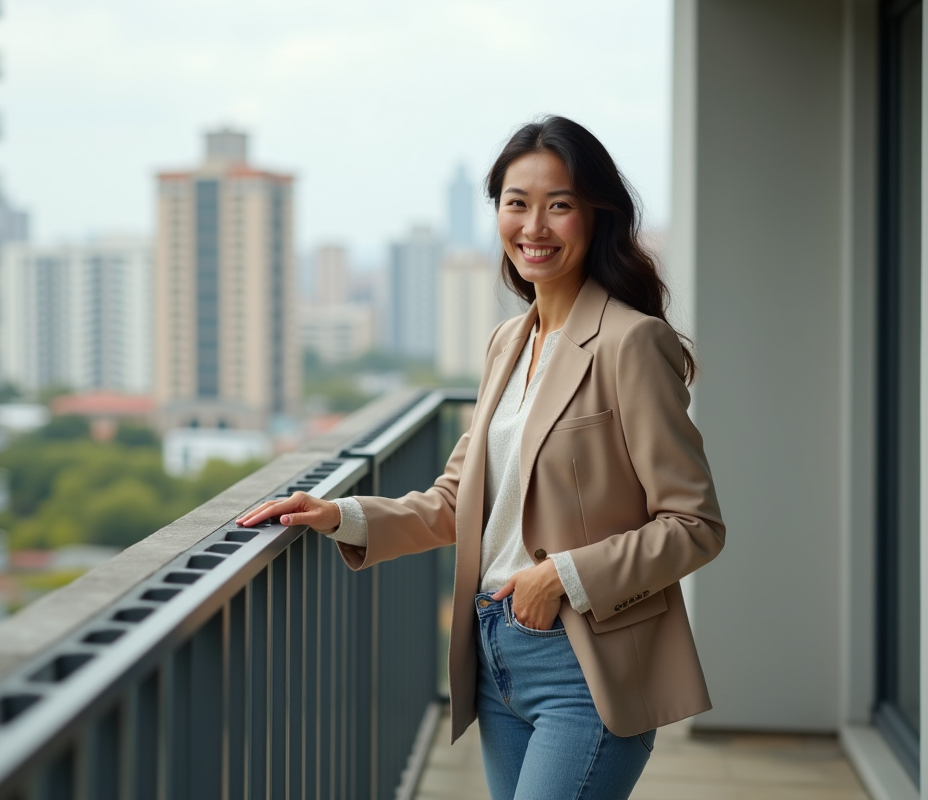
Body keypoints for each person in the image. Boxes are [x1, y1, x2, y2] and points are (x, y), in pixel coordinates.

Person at [237, 115, 724, 800]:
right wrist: (336, 513)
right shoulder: (508, 342)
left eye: (559, 205)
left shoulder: (630, 344)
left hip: (585, 665)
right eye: (516, 203)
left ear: (597, 216)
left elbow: (695, 524)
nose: (535, 226)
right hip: (494, 655)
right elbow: (453, 502)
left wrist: (559, 577)